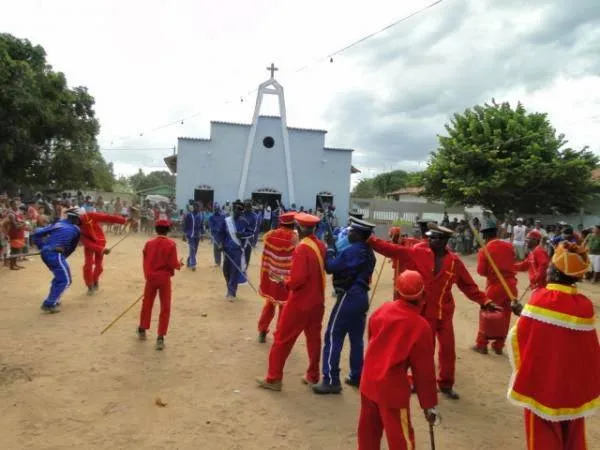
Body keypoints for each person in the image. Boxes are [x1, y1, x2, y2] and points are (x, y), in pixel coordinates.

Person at [367, 222, 497, 399]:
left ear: (444, 241)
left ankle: (445, 384)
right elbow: (393, 250)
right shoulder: (418, 253)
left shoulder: (455, 262)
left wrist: (485, 300)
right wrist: (370, 239)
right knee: (423, 351)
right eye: (429, 237)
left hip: (444, 313)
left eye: (434, 238)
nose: (429, 239)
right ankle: (416, 381)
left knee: (448, 350)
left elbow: (468, 286)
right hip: (424, 313)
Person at [507, 242, 600, 449]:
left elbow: (520, 336)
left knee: (542, 433)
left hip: (544, 384)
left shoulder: (540, 299)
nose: (547, 269)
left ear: (556, 272)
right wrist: (525, 312)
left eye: (550, 266)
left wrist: (522, 313)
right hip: (573, 387)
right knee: (573, 432)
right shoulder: (584, 305)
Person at [358, 270, 438, 450]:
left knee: (368, 434)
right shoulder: (420, 326)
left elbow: (372, 339)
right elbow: (424, 371)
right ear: (423, 294)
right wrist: (429, 405)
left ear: (397, 292)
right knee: (400, 439)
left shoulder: (383, 309)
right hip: (392, 390)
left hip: (368, 380)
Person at [257, 213, 326, 391]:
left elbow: (297, 280)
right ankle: (313, 375)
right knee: (313, 339)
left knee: (281, 339)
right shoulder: (319, 244)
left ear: (300, 229)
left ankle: (273, 379)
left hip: (300, 302)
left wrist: (283, 281)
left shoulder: (301, 249)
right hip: (317, 301)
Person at [313, 217, 376, 394]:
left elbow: (331, 267)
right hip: (361, 296)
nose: (349, 233)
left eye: (352, 231)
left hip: (349, 296)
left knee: (333, 336)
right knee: (356, 339)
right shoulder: (368, 252)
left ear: (358, 234)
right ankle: (357, 375)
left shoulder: (353, 251)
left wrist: (331, 248)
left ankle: (331, 380)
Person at [137, 219, 183, 350]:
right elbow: (173, 264)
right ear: (168, 231)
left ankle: (142, 329)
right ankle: (160, 337)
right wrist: (179, 265)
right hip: (164, 279)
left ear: (156, 229)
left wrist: (147, 275)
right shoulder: (171, 244)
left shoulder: (149, 244)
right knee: (165, 307)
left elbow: (145, 261)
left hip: (151, 278)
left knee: (147, 304)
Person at [474, 222, 518, 355]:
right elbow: (513, 262)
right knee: (505, 315)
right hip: (511, 286)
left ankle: (482, 344)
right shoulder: (509, 246)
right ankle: (498, 345)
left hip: (495, 286)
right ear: (496, 233)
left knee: (487, 312)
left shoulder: (485, 249)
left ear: (485, 235)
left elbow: (481, 271)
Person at [257, 211, 298, 343]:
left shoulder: (270, 235)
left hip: (271, 278)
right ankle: (279, 335)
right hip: (286, 280)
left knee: (269, 305)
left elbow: (266, 258)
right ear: (293, 223)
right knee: (284, 308)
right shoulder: (295, 238)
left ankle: (262, 331)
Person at [32, 208, 82, 313]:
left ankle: (53, 299)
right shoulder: (76, 230)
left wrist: (42, 247)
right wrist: (61, 254)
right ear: (77, 219)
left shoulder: (58, 224)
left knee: (60, 278)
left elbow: (36, 233)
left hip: (48, 254)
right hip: (55, 255)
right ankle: (49, 304)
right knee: (65, 280)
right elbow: (72, 247)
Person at [78, 208, 127, 295]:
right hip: (90, 245)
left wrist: (123, 221)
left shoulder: (91, 215)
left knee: (99, 266)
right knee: (87, 265)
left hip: (100, 241)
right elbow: (86, 242)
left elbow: (107, 217)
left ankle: (95, 280)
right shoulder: (75, 226)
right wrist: (101, 250)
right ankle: (90, 285)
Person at [214, 200, 254, 299]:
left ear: (242, 211)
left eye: (240, 209)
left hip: (237, 250)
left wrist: (242, 235)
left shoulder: (244, 222)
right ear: (233, 208)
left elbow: (251, 233)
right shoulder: (226, 221)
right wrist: (220, 244)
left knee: (234, 270)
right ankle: (229, 286)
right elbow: (221, 233)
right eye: (236, 208)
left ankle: (231, 291)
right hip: (227, 249)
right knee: (226, 270)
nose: (237, 210)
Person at [183, 203, 204, 271]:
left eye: (198, 207)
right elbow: (185, 225)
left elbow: (201, 225)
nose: (196, 208)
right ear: (193, 207)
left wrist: (202, 235)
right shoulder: (189, 215)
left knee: (195, 250)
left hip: (197, 235)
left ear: (199, 208)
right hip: (190, 235)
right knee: (192, 249)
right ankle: (193, 264)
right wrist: (184, 234)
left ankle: (189, 261)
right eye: (195, 206)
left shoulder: (201, 215)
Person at [242, 199, 258, 266]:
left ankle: (245, 267)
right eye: (245, 206)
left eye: (248, 206)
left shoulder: (254, 216)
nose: (246, 208)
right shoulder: (241, 214)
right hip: (240, 238)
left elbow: (253, 230)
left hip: (248, 238)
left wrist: (244, 233)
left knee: (247, 255)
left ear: (250, 207)